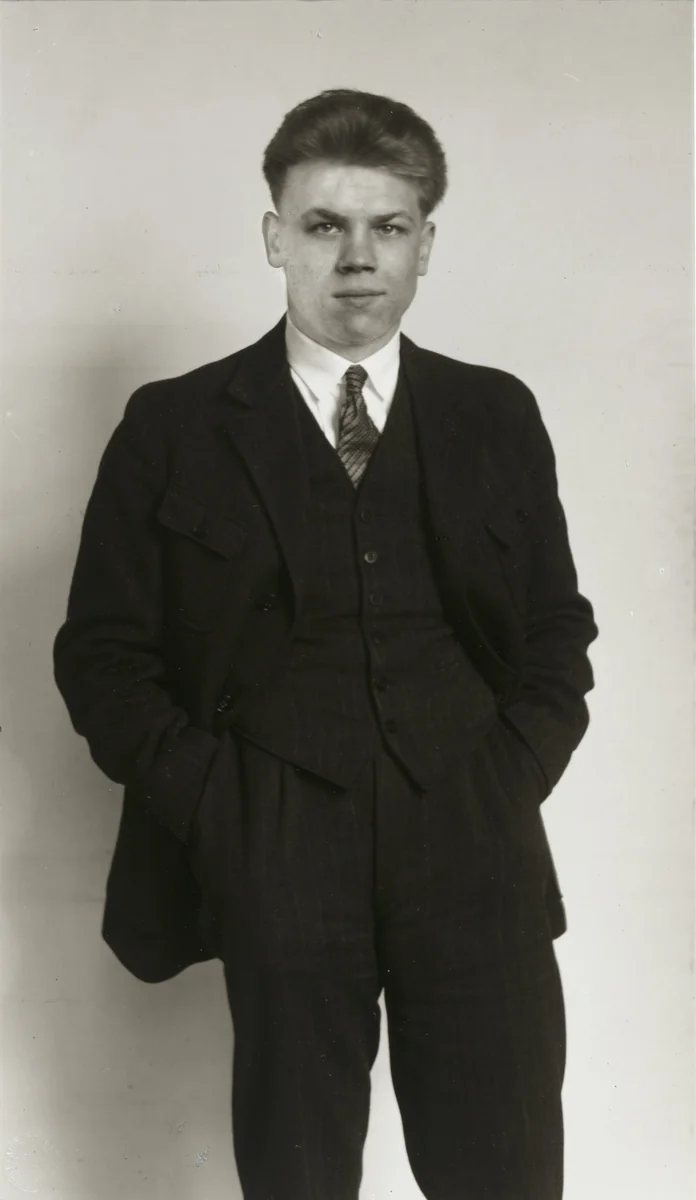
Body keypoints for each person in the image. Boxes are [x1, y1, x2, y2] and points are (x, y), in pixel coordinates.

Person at [54, 88, 598, 1200]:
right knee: (298, 1170)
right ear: (275, 237)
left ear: (426, 245)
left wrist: (511, 773)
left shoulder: (496, 414)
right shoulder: (175, 425)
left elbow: (556, 628)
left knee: (506, 1168)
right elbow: (101, 654)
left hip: (473, 840)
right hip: (277, 837)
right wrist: (220, 804)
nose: (358, 258)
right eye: (324, 225)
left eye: (387, 227)